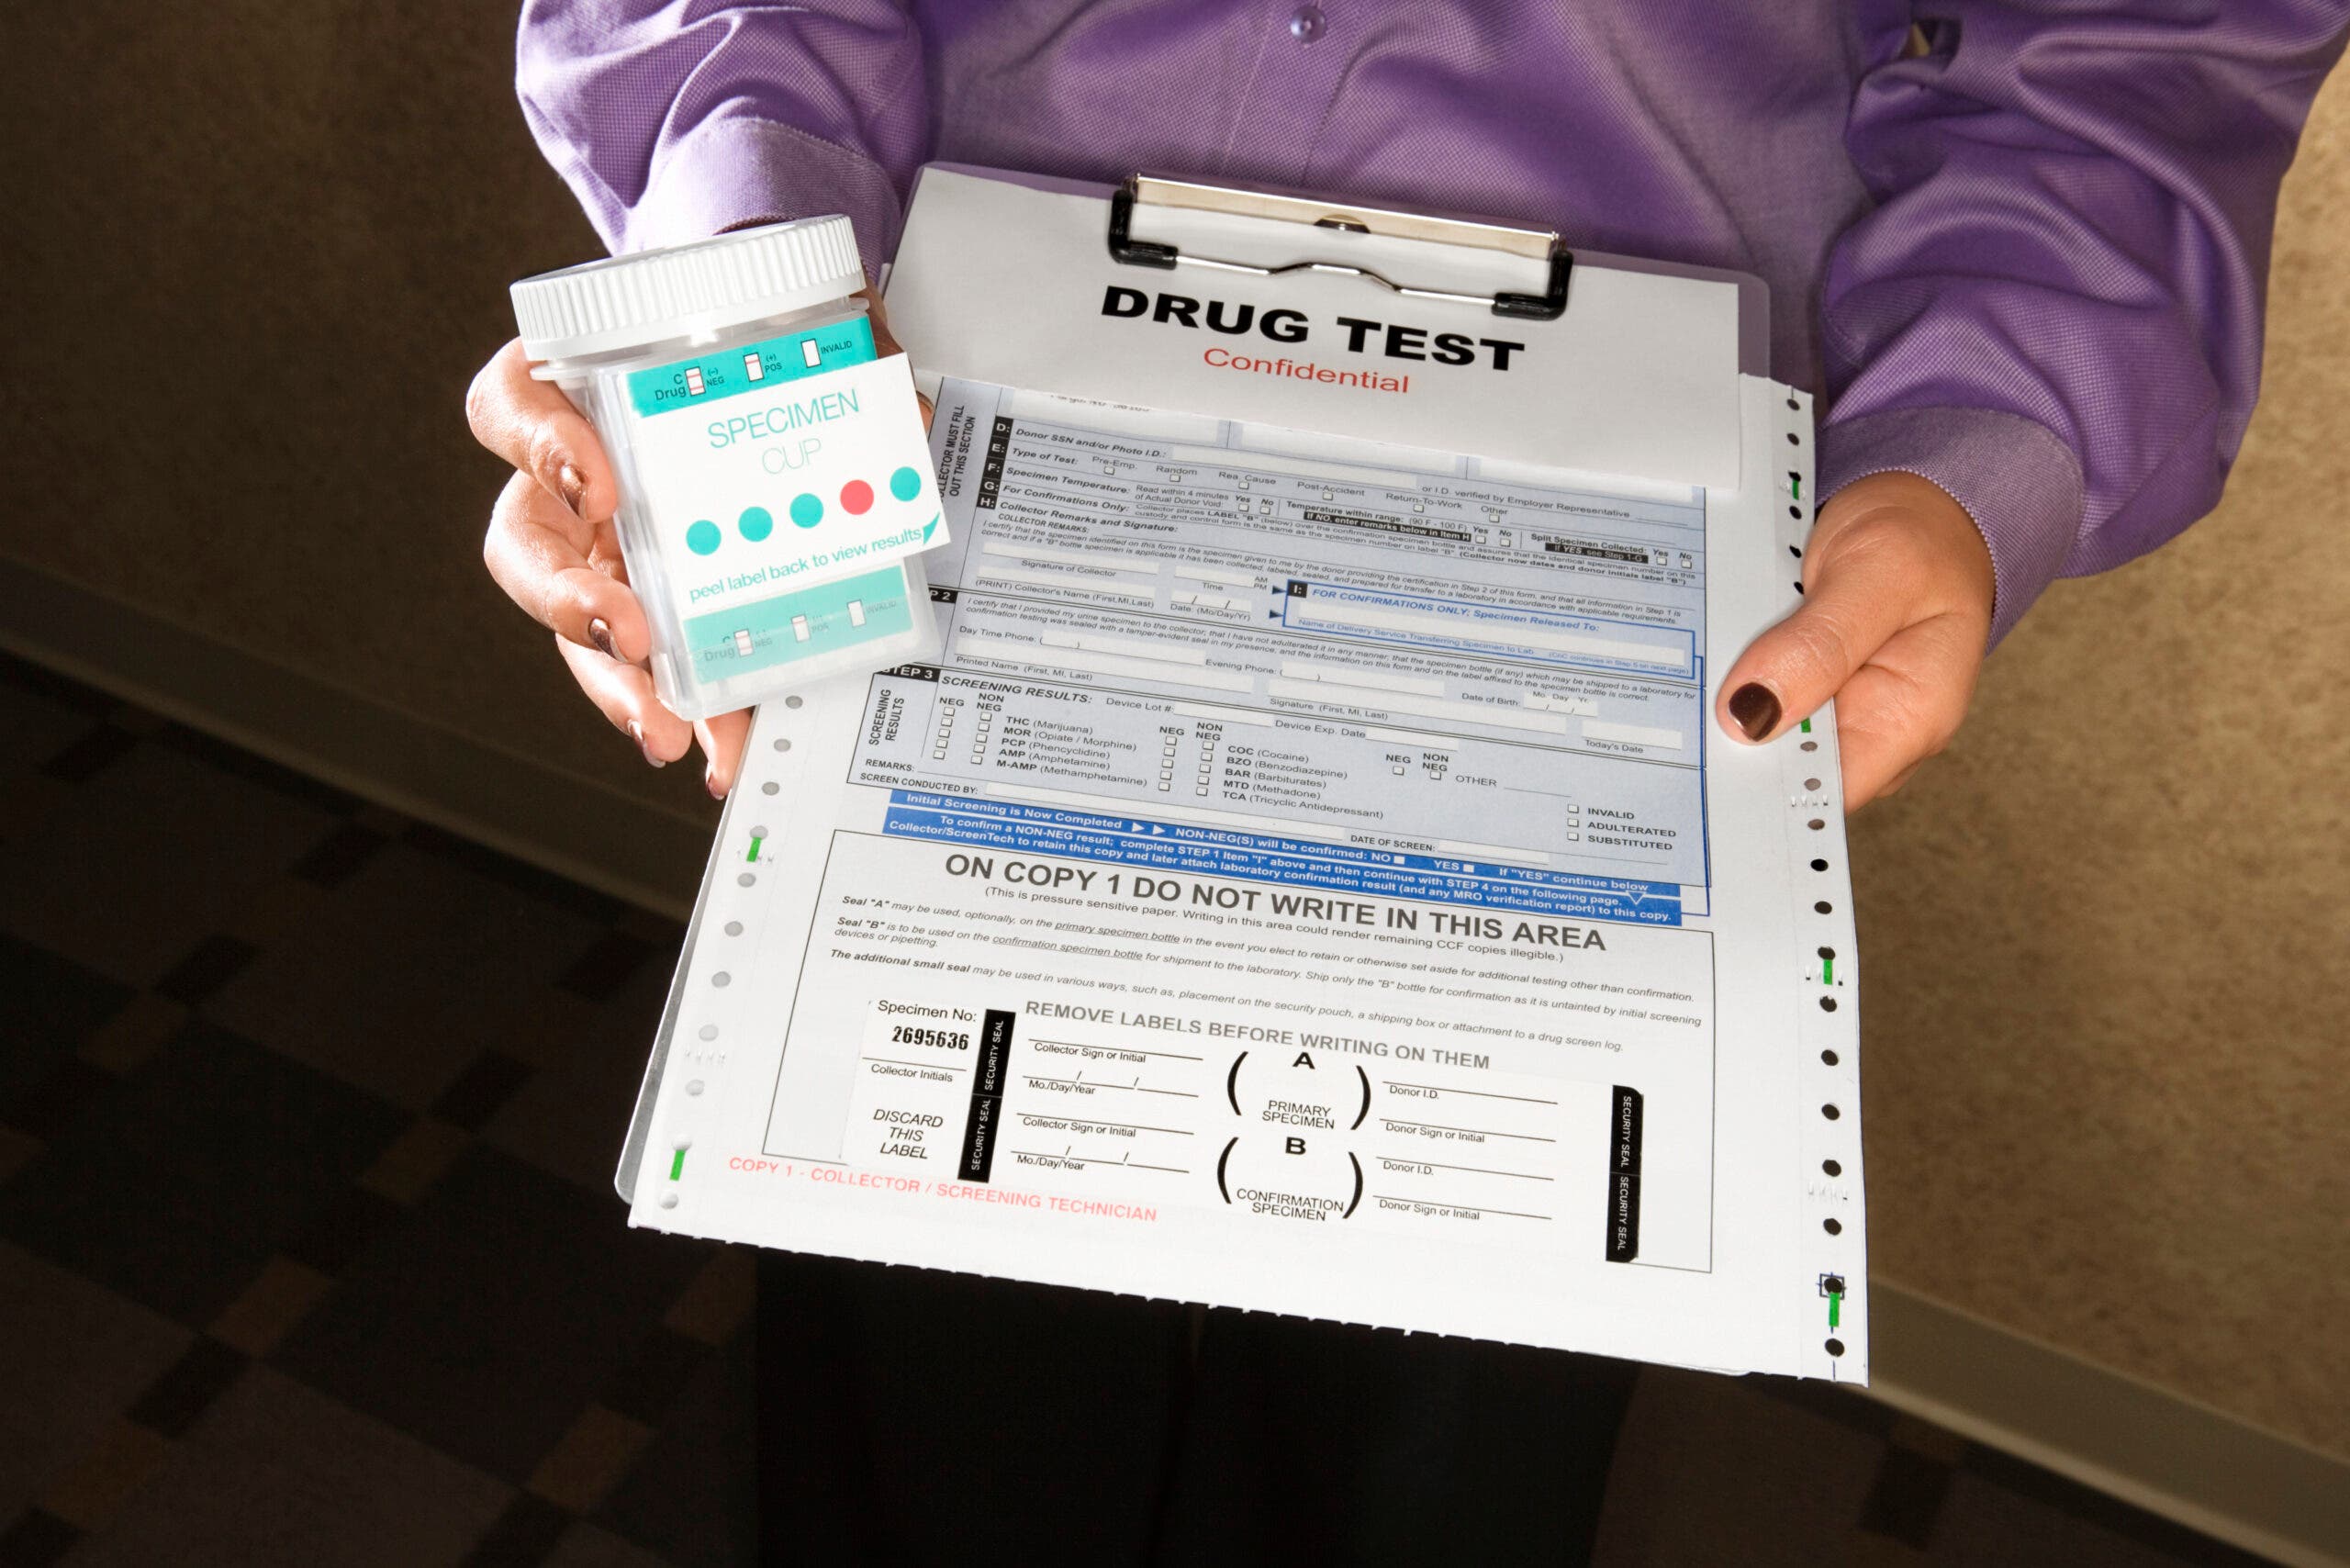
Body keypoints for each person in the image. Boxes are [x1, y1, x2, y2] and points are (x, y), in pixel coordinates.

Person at [464, 5, 2349, 1561]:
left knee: (1428, 1471)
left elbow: (2128, 39)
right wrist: (727, 317)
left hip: (1603, 616)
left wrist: (1969, 452)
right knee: (927, 1413)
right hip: (966, 496)